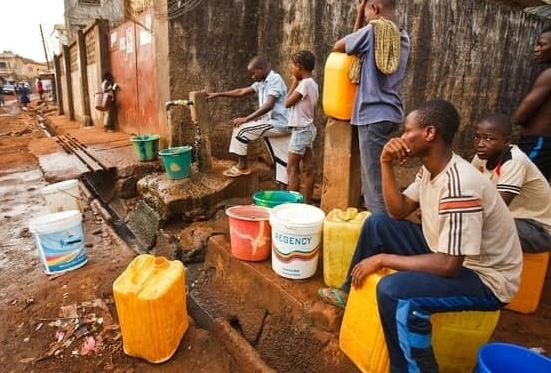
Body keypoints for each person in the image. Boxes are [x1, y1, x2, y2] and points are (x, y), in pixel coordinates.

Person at [318, 99, 522, 372]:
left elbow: (448, 265)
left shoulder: (460, 186)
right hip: (448, 252)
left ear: (429, 133)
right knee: (377, 223)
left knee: (395, 292)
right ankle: (347, 292)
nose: (401, 138)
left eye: (406, 131)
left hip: (486, 278)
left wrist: (382, 259)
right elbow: (397, 211)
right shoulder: (430, 170)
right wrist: (385, 163)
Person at [333, 0, 410, 213]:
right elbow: (357, 49)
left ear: (375, 8)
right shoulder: (402, 36)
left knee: (373, 183)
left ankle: (380, 231)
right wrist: (362, 13)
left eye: (367, 12)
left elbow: (340, 46)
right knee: (380, 172)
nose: (365, 17)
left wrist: (358, 15)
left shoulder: (373, 31)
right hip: (390, 112)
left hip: (371, 114)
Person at [471, 113, 551, 253]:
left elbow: (496, 209)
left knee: (473, 227)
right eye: (477, 137)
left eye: (489, 139)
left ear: (506, 141)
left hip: (539, 230)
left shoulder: (514, 162)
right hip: (514, 221)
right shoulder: (483, 156)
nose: (480, 144)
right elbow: (467, 190)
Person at [206, 56, 290, 180]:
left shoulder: (274, 79)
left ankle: (243, 166)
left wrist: (247, 118)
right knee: (282, 160)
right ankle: (283, 190)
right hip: (271, 122)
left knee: (241, 129)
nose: (252, 77)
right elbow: (242, 91)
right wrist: (218, 94)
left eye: (253, 73)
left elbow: (269, 105)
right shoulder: (262, 82)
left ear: (261, 69)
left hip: (279, 123)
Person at [512, 27, 551, 180]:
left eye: (542, 45)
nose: (536, 49)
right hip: (542, 144)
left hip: (538, 143)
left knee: (518, 186)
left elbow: (520, 116)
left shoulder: (549, 75)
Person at [285, 50, 318, 204]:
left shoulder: (304, 84)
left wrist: (293, 82)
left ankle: (294, 206)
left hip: (300, 130)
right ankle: (308, 203)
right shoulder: (313, 84)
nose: (292, 69)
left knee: (292, 169)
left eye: (293, 66)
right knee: (309, 167)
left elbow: (287, 102)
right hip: (308, 129)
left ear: (299, 66)